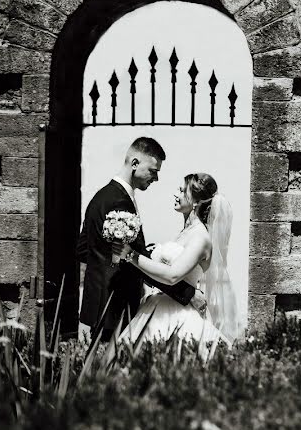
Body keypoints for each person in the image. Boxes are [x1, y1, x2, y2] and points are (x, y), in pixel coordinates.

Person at [76, 137, 200, 341]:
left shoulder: (101, 196)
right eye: (154, 171)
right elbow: (134, 261)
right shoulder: (119, 201)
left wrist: (104, 268)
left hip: (99, 305)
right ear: (135, 163)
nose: (156, 178)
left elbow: (83, 250)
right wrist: (188, 294)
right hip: (116, 306)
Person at [119, 172, 247, 348]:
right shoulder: (184, 233)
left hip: (177, 313)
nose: (176, 195)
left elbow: (172, 276)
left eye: (181, 191)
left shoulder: (200, 238)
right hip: (157, 305)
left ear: (195, 201)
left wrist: (131, 255)